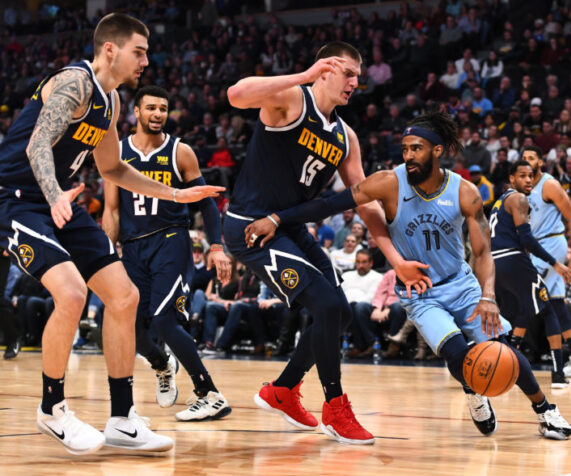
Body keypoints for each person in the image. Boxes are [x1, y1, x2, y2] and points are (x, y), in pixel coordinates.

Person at [245, 111, 571, 440]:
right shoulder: (389, 181)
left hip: (461, 284)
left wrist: (488, 295)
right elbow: (331, 203)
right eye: (404, 149)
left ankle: (545, 410)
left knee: (501, 349)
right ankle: (475, 391)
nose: (408, 156)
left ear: (437, 150)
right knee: (457, 354)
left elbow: (483, 252)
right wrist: (276, 218)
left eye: (416, 148)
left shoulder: (465, 191)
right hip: (419, 294)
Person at [0, 13, 222, 455]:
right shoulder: (75, 83)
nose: (145, 60)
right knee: (71, 293)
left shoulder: (112, 101)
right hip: (18, 198)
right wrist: (55, 195)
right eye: (138, 51)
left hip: (59, 198)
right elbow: (36, 144)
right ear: (110, 49)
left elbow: (114, 169)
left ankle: (122, 418)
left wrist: (176, 196)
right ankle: (52, 408)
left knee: (124, 296)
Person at [224, 41, 429, 445]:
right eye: (348, 73)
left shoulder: (345, 136)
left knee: (341, 315)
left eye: (358, 76)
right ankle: (335, 407)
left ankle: (282, 390)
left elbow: (364, 201)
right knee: (330, 305)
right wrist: (304, 75)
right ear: (325, 69)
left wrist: (395, 259)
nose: (355, 82)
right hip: (251, 226)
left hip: (288, 228)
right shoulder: (289, 100)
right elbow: (235, 94)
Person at [102, 85, 231, 421]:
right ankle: (161, 363)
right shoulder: (116, 153)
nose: (158, 114)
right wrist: (105, 254)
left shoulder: (180, 152)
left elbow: (206, 202)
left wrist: (216, 246)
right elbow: (112, 210)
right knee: (129, 326)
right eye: (151, 108)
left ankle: (209, 393)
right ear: (136, 112)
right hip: (132, 247)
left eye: (163, 108)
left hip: (170, 240)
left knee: (164, 319)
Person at [488, 160, 571, 389]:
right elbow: (527, 239)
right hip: (513, 260)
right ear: (511, 179)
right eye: (522, 176)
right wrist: (554, 263)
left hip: (494, 263)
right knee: (548, 310)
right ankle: (558, 374)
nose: (528, 180)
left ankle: (500, 367)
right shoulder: (519, 199)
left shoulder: (499, 202)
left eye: (531, 176)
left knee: (518, 313)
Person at [520, 147, 571, 380]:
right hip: (537, 246)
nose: (527, 161)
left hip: (552, 244)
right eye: (524, 158)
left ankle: (511, 350)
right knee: (556, 303)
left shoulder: (549, 185)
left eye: (531, 157)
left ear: (540, 161)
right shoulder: (524, 186)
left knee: (529, 296)